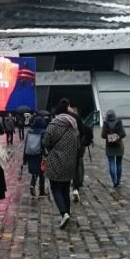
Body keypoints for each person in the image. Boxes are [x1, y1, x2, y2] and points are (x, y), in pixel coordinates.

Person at [43, 98, 79, 229]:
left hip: (56, 161)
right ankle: (67, 212)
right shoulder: (74, 125)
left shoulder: (53, 125)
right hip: (70, 161)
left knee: (55, 187)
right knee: (65, 188)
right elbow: (77, 143)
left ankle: (63, 213)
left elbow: (45, 142)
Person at [101, 109, 126, 188]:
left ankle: (114, 181)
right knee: (119, 164)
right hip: (119, 146)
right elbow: (124, 134)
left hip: (109, 147)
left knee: (111, 163)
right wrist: (116, 137)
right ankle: (118, 181)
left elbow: (103, 135)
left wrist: (111, 137)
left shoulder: (105, 123)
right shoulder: (119, 122)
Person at [23, 116, 47, 197]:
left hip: (31, 155)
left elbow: (26, 145)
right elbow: (44, 144)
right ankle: (42, 191)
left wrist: (24, 158)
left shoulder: (30, 131)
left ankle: (32, 185)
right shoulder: (43, 132)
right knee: (41, 173)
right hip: (40, 155)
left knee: (34, 172)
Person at [68, 106, 86, 202]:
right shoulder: (79, 120)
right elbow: (84, 132)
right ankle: (78, 183)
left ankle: (74, 183)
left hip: (69, 146)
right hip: (79, 146)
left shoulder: (67, 121)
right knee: (79, 164)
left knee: (72, 166)